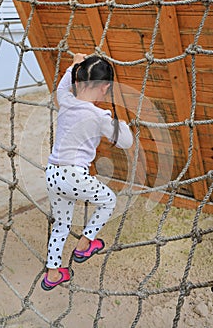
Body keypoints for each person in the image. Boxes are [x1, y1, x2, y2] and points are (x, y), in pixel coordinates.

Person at [41, 53, 133, 291]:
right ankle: (84, 245)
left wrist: (74, 63)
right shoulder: (99, 115)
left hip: (52, 173)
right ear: (105, 88)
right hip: (74, 175)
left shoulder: (65, 99)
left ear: (77, 81)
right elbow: (126, 141)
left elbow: (62, 84)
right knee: (109, 200)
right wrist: (120, 125)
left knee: (61, 223)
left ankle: (53, 273)